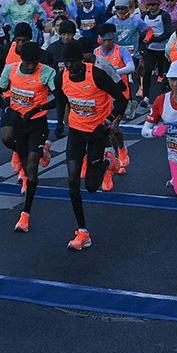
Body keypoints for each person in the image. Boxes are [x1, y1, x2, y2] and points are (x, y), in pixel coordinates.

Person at [57, 40, 128, 250]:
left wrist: (108, 123)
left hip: (97, 132)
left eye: (73, 62)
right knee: (72, 179)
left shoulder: (96, 74)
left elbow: (122, 99)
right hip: (77, 131)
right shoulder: (63, 76)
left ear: (82, 59)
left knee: (91, 187)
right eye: (66, 62)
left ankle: (108, 162)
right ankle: (82, 232)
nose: (69, 66)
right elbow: (63, 100)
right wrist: (61, 124)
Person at [0, 42, 56, 231]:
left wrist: (40, 108)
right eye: (28, 63)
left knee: (31, 167)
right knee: (18, 152)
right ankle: (41, 152)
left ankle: (25, 214)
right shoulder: (10, 70)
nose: (31, 67)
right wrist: (7, 108)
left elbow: (60, 97)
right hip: (18, 124)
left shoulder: (47, 72)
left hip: (37, 123)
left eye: (34, 63)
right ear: (21, 59)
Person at [141, 59, 177, 207]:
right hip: (175, 156)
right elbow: (144, 131)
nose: (176, 84)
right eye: (173, 79)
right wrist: (155, 131)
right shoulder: (161, 100)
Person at [93, 23, 135, 173]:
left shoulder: (121, 50)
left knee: (113, 128)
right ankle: (116, 157)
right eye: (104, 40)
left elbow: (131, 67)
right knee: (108, 129)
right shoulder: (96, 52)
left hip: (120, 95)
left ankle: (120, 152)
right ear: (100, 39)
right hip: (103, 97)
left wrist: (113, 72)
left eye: (110, 40)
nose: (107, 43)